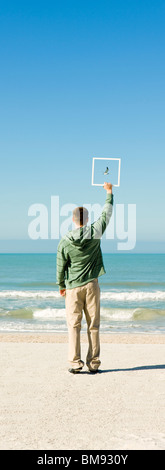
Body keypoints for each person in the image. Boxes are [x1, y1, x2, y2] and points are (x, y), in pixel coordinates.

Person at [56, 182, 113, 373]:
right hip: (91, 285)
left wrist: (61, 285)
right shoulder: (95, 232)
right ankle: (93, 364)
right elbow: (106, 214)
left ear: (73, 220)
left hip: (72, 287)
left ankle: (75, 363)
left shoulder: (65, 240)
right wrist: (109, 193)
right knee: (93, 325)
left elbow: (60, 265)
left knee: (74, 325)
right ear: (87, 219)